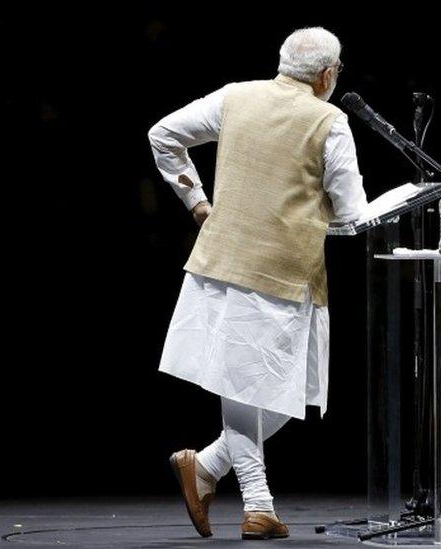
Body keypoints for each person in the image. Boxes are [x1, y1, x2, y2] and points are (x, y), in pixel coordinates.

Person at [147, 26, 368, 540]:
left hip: (224, 263)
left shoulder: (235, 97)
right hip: (282, 272)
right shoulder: (329, 119)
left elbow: (163, 134)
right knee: (251, 387)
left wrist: (198, 203)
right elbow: (353, 213)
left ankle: (204, 467)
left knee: (281, 392)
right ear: (327, 74)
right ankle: (258, 505)